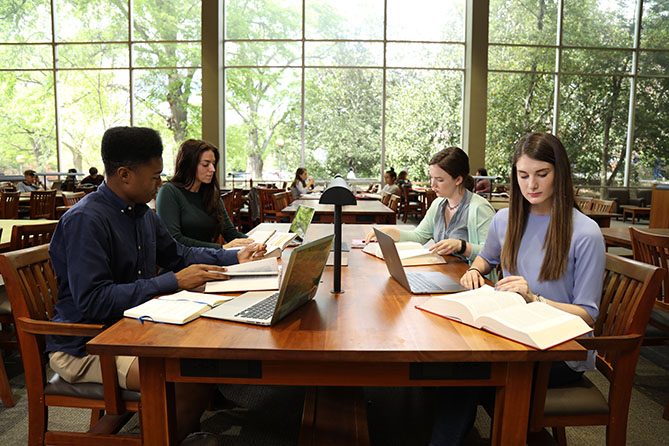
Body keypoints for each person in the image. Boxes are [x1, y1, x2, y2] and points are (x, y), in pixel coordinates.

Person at [46, 126, 265, 443]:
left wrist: (235, 258)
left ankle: (171, 431)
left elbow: (180, 254)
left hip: (130, 328)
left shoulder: (141, 214)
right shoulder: (87, 220)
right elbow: (92, 301)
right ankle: (165, 435)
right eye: (154, 176)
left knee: (203, 352)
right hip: (87, 344)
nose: (159, 183)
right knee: (190, 373)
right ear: (124, 175)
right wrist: (172, 281)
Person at [431, 133, 606, 445]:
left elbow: (588, 316)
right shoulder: (506, 219)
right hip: (513, 337)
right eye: (523, 175)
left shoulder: (585, 232)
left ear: (559, 174)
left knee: (464, 373)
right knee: (457, 363)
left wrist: (534, 299)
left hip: (560, 351)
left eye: (542, 174)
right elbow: (487, 256)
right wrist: (474, 269)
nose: (531, 186)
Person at [366, 148, 495, 265]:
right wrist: (393, 233)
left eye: (439, 180)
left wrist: (461, 246)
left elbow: (492, 253)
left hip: (473, 280)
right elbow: (419, 237)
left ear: (458, 180)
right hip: (447, 273)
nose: (433, 185)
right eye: (431, 178)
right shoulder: (438, 204)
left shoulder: (480, 208)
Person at [156, 139, 252, 250]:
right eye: (206, 164)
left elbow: (230, 232)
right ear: (188, 165)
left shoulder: (211, 194)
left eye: (213, 164)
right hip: (182, 265)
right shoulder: (169, 192)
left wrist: (257, 242)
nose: (213, 169)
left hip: (208, 260)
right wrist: (221, 248)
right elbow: (175, 239)